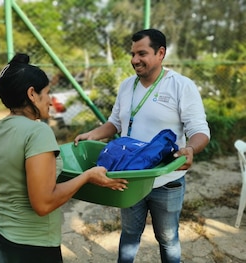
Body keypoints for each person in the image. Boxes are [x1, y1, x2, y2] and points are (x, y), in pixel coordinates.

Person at [74, 29, 210, 263]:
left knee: (168, 238)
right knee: (129, 234)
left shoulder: (181, 86)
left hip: (166, 180)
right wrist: (93, 135)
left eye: (142, 53)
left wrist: (191, 149)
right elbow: (115, 123)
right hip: (130, 178)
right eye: (133, 54)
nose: (135, 60)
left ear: (160, 53)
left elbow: (199, 130)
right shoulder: (127, 86)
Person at [0, 53, 128, 263]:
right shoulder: (37, 132)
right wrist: (87, 177)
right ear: (32, 94)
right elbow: (43, 204)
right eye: (48, 93)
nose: (51, 101)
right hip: (32, 248)